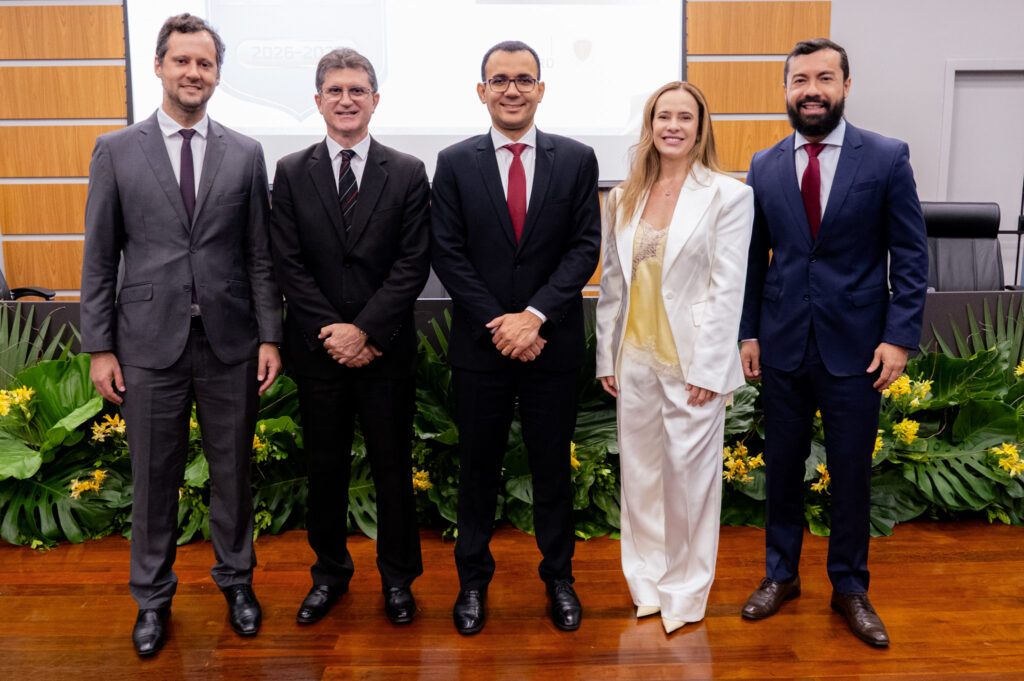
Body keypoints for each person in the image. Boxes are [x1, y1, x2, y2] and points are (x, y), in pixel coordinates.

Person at [80, 13, 283, 657]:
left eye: (205, 63)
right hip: (145, 344)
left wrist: (270, 337)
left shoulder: (245, 153)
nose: (193, 72)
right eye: (182, 61)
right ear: (160, 67)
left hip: (231, 344)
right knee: (153, 479)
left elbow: (259, 256)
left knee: (233, 475)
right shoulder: (116, 150)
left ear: (217, 74)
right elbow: (98, 256)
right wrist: (99, 347)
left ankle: (237, 584)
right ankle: (152, 599)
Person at [738, 38, 928, 647]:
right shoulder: (765, 165)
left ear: (845, 86)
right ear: (786, 90)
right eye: (800, 80)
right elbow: (754, 259)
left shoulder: (887, 157)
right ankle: (781, 575)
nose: (811, 90)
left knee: (850, 474)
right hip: (783, 345)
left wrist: (899, 338)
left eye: (824, 78)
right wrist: (748, 331)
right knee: (782, 469)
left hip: (858, 348)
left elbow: (911, 255)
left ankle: (849, 587)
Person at [430, 40, 601, 635]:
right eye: (499, 79)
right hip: (483, 348)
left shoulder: (576, 159)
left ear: (540, 89)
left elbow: (584, 246)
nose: (511, 89)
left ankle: (559, 579)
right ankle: (472, 584)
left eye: (523, 79)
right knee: (477, 471)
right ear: (482, 91)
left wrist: (534, 316)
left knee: (553, 470)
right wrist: (503, 323)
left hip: (551, 345)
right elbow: (447, 253)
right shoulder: (454, 162)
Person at [269, 48, 429, 626]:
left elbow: (413, 263)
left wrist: (365, 331)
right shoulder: (291, 171)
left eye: (357, 90)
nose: (346, 100)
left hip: (385, 350)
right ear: (318, 101)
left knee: (392, 471)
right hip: (319, 354)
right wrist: (333, 334)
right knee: (325, 470)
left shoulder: (407, 171)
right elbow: (287, 263)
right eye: (335, 90)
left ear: (375, 100)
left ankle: (398, 580)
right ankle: (329, 575)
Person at [595, 81, 753, 635]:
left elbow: (728, 289)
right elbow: (612, 284)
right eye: (664, 116)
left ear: (700, 126)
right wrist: (607, 356)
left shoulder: (728, 195)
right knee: (639, 480)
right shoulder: (623, 196)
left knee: (689, 484)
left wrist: (711, 367)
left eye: (685, 117)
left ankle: (685, 592)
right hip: (634, 358)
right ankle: (646, 584)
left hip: (691, 364)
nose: (674, 126)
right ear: (650, 124)